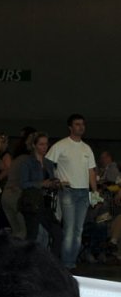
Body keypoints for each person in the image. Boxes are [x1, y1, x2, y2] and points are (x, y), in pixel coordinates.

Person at [46, 114, 97, 270]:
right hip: (68, 191)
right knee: (69, 229)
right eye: (77, 124)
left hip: (83, 192)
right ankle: (66, 265)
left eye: (82, 124)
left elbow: (91, 171)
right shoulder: (61, 145)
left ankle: (71, 262)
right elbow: (47, 161)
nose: (81, 127)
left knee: (78, 230)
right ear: (70, 127)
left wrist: (94, 191)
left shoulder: (86, 148)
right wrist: (56, 179)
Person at [20, 132, 62, 258]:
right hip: (32, 203)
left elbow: (50, 180)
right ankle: (27, 263)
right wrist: (42, 184)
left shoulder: (48, 163)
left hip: (45, 203)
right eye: (41, 144)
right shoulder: (27, 162)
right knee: (32, 235)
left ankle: (53, 263)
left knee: (57, 233)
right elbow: (23, 184)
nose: (44, 147)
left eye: (46, 144)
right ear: (34, 145)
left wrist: (55, 183)